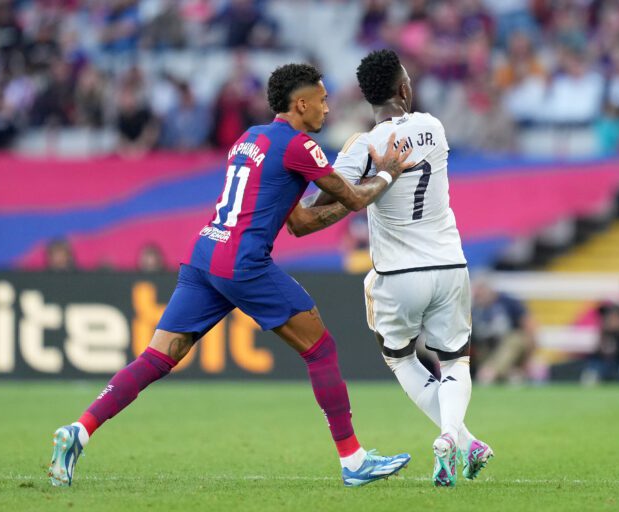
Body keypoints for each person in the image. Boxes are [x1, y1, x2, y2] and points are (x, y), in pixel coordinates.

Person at [48, 63, 416, 488]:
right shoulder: (301, 146)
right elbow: (352, 198)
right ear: (301, 104)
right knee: (320, 350)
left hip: (205, 255)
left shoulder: (249, 139)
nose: (328, 108)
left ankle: (79, 430)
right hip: (244, 262)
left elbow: (298, 223)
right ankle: (353, 461)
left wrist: (359, 194)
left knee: (155, 358)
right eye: (322, 100)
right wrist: (387, 173)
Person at [287, 49, 492, 487]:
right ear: (403, 88)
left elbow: (321, 202)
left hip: (398, 274)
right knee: (455, 361)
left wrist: (365, 179)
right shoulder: (434, 127)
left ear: (368, 98)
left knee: (400, 359)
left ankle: (460, 439)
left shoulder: (363, 146)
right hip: (449, 264)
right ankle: (453, 436)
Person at [470, 277, 537, 384]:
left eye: (481, 293)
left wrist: (527, 359)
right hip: (487, 349)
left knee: (514, 338)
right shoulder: (474, 308)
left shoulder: (509, 302)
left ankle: (491, 372)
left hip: (512, 347)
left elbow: (530, 328)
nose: (478, 297)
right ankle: (509, 373)